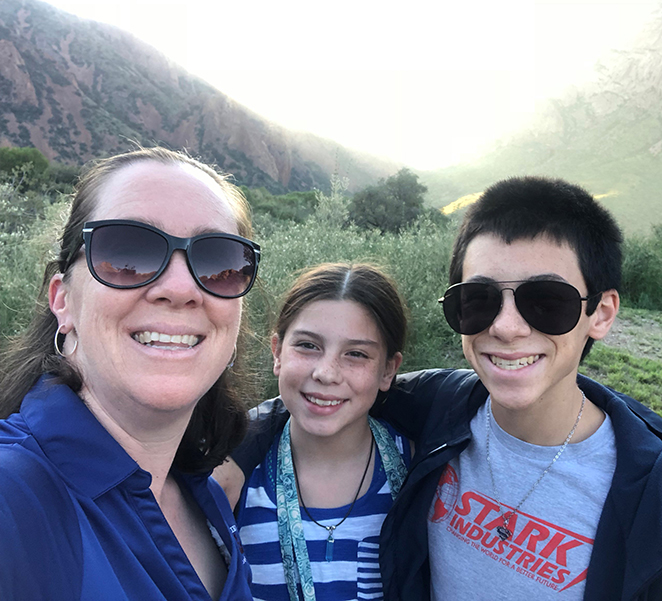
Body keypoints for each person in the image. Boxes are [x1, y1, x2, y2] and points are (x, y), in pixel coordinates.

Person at [373, 176, 662, 600]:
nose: (506, 327)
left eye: (546, 302)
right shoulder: (439, 406)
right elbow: (336, 394)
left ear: (600, 314)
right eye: (478, 299)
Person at [0, 147, 261, 600]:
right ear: (63, 300)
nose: (180, 289)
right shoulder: (14, 498)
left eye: (219, 262)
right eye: (127, 252)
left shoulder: (206, 500)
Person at [218, 263, 410, 601]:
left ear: (388, 371)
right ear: (277, 352)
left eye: (356, 354)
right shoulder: (234, 484)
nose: (326, 373)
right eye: (308, 346)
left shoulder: (422, 471)